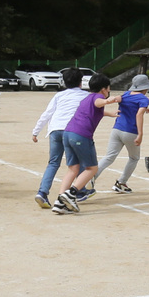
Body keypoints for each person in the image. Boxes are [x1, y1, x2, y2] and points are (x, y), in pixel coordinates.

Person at [52, 73, 121, 215]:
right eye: (108, 89)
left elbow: (93, 110)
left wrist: (110, 113)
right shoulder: (99, 97)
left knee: (73, 169)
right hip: (81, 136)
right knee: (92, 168)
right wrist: (112, 100)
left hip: (68, 133)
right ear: (103, 89)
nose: (109, 91)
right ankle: (71, 193)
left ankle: (60, 202)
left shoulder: (87, 98)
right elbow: (99, 103)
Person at [30, 69, 86, 208]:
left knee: (53, 162)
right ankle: (80, 191)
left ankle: (42, 192)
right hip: (72, 131)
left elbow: (47, 114)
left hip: (55, 130)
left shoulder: (59, 95)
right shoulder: (86, 95)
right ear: (80, 82)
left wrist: (35, 131)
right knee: (76, 163)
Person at [93, 74, 149, 193]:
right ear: (145, 88)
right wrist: (140, 134)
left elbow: (119, 99)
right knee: (134, 158)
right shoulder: (143, 99)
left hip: (116, 130)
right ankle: (121, 182)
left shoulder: (126, 94)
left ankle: (90, 179)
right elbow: (139, 114)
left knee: (109, 157)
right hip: (130, 132)